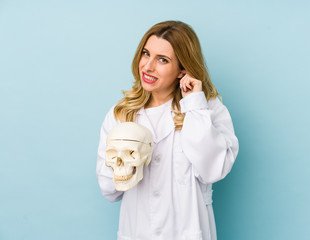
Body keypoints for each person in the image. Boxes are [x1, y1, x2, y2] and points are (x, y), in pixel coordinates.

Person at [96, 20, 239, 240]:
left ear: (182, 69)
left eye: (162, 60)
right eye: (146, 54)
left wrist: (194, 104)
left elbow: (214, 169)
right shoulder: (121, 114)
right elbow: (109, 189)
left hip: (187, 232)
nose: (148, 66)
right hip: (137, 232)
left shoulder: (207, 109)